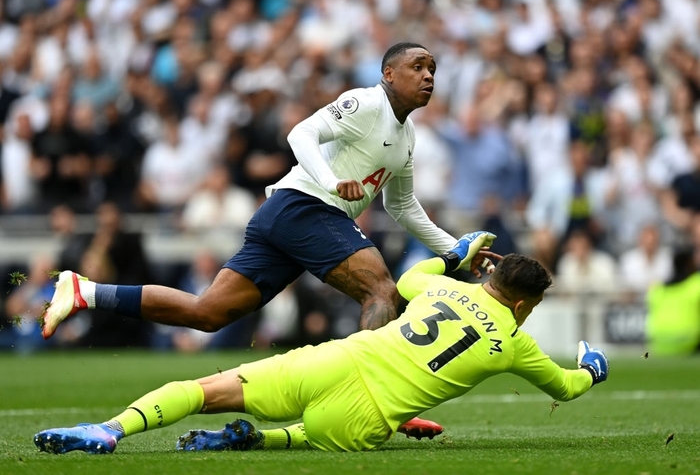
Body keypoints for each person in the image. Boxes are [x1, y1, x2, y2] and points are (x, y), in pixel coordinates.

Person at [40, 42, 496, 438]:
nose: (429, 75)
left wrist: (454, 250)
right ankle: (373, 402)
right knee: (381, 290)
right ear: (388, 74)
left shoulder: (407, 137)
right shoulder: (366, 103)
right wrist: (334, 183)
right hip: (305, 206)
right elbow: (300, 133)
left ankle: (86, 291)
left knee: (208, 313)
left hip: (288, 216)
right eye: (418, 66)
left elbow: (402, 207)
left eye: (433, 68)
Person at [33, 241, 610, 455]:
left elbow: (407, 277)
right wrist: (592, 367)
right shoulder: (514, 342)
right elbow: (566, 388)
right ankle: (262, 440)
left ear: (490, 277)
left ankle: (109, 430)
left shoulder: (442, 287)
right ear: (522, 305)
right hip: (363, 418)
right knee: (326, 433)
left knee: (203, 390)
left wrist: (454, 253)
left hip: (339, 358)